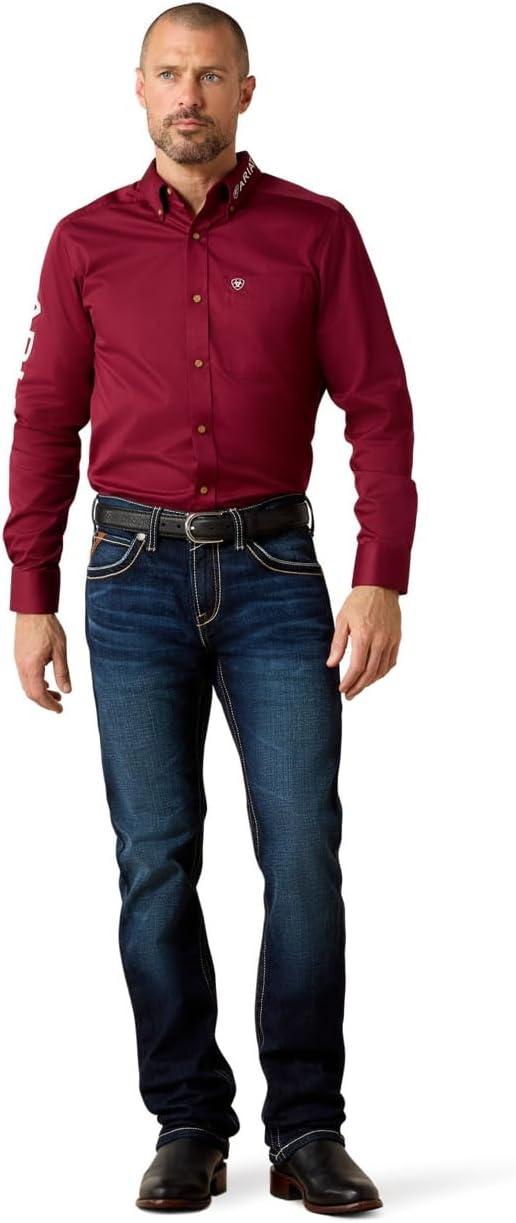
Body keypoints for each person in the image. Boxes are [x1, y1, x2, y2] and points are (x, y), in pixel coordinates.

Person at [2, 2, 417, 1214]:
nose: (189, 94)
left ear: (246, 91)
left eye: (211, 74)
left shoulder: (317, 231)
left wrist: (382, 570)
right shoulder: (83, 240)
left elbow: (380, 406)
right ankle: (188, 1121)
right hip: (128, 578)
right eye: (170, 73)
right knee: (154, 860)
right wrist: (30, 593)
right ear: (139, 88)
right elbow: (44, 419)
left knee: (302, 853)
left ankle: (308, 1128)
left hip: (277, 573)